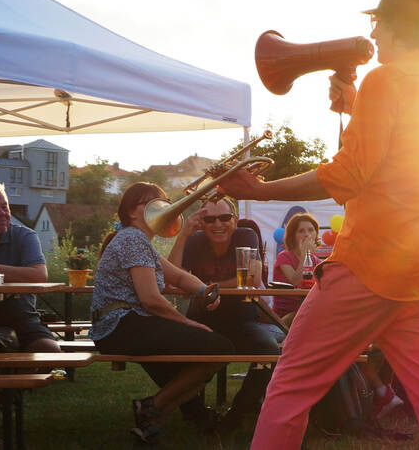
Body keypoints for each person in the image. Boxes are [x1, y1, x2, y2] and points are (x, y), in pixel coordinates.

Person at [218, 0, 419, 450]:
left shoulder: (386, 79)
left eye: (379, 23)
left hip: (368, 265)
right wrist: (356, 106)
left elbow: (350, 175)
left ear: (399, 23)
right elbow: (403, 160)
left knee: (291, 384)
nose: (373, 34)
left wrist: (262, 188)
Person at [89, 182, 234, 443]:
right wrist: (188, 323)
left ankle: (152, 416)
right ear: (133, 212)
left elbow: (177, 275)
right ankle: (154, 407)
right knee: (217, 349)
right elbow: (151, 300)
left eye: (164, 202)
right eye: (152, 203)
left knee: (214, 351)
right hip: (120, 325)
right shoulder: (133, 238)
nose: (164, 208)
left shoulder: (138, 240)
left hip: (124, 325)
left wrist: (205, 290)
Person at [168, 197, 278, 433]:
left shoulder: (245, 235)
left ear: (234, 220)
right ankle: (195, 412)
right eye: (209, 219)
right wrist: (184, 233)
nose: (218, 224)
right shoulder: (193, 240)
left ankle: (238, 412)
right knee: (170, 353)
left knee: (268, 353)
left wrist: (202, 287)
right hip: (201, 320)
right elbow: (170, 276)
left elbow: (252, 278)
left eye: (225, 217)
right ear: (201, 223)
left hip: (242, 320)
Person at [0, 183, 60, 354]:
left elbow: (39, 276)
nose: (1, 214)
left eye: (4, 207)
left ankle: (14, 373)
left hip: (19, 316)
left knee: (49, 351)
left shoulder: (24, 236)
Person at [271, 213, 321, 321]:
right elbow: (296, 281)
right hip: (286, 316)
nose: (307, 234)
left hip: (308, 311)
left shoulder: (316, 261)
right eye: (301, 231)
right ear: (292, 235)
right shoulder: (284, 256)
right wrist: (305, 255)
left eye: (311, 230)